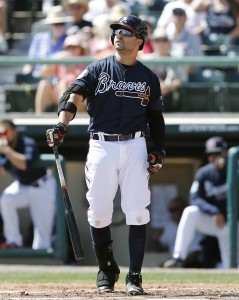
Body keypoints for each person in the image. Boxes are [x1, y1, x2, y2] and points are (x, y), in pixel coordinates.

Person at [46, 15, 165, 295]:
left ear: (139, 40)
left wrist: (157, 150)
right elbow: (73, 94)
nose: (119, 35)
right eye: (117, 31)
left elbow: (156, 118)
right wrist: (62, 124)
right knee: (98, 215)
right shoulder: (99, 68)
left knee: (137, 211)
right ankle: (107, 267)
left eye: (126, 32)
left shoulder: (148, 77)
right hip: (101, 145)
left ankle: (134, 276)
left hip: (135, 146)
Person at [162, 136, 229, 268]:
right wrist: (214, 211)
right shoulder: (203, 173)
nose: (214, 157)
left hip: (233, 225)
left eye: (218, 153)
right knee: (190, 212)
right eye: (211, 154)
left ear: (225, 152)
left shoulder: (235, 170)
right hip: (214, 221)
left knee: (231, 266)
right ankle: (179, 257)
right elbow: (194, 198)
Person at [0, 119, 56, 250]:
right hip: (23, 186)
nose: (4, 135)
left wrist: (7, 150)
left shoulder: (27, 142)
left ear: (15, 131)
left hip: (42, 187)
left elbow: (26, 164)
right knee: (7, 200)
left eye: (6, 131)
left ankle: (42, 265)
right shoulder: (4, 148)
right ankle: (13, 240)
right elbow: (2, 168)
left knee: (42, 238)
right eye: (1, 133)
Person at [35, 33, 88, 113]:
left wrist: (73, 71)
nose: (71, 50)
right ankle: (38, 118)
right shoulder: (62, 61)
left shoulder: (85, 62)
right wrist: (55, 59)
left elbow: (86, 83)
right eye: (68, 47)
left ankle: (63, 118)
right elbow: (42, 73)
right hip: (60, 95)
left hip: (79, 97)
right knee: (43, 84)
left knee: (64, 83)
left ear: (80, 48)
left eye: (74, 47)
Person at [22, 5, 73, 77]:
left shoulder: (70, 39)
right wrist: (25, 76)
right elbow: (30, 61)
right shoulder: (38, 38)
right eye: (57, 24)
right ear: (50, 25)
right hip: (37, 76)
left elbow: (70, 59)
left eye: (62, 23)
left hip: (58, 77)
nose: (60, 26)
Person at [142, 27, 186, 111]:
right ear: (153, 43)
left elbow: (182, 80)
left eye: (164, 40)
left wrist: (168, 86)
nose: (161, 43)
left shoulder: (176, 60)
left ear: (169, 43)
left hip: (169, 100)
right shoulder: (146, 60)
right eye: (157, 40)